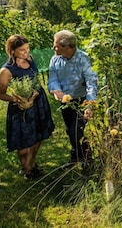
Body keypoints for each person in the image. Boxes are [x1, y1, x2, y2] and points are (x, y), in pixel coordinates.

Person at [0, 35, 55, 179]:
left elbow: (35, 79)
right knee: (23, 141)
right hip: (21, 108)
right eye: (22, 50)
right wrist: (18, 100)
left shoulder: (30, 60)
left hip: (38, 102)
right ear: (12, 51)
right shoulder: (6, 71)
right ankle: (27, 169)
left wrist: (34, 95)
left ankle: (31, 164)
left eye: (27, 49)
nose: (26, 52)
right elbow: (0, 94)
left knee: (38, 135)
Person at [48, 30, 98, 164]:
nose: (53, 48)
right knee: (70, 130)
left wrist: (90, 104)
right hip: (65, 102)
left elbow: (91, 83)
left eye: (56, 45)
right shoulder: (55, 59)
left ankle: (87, 160)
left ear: (67, 47)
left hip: (82, 100)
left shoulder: (84, 59)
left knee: (77, 131)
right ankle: (76, 156)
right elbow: (52, 79)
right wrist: (56, 90)